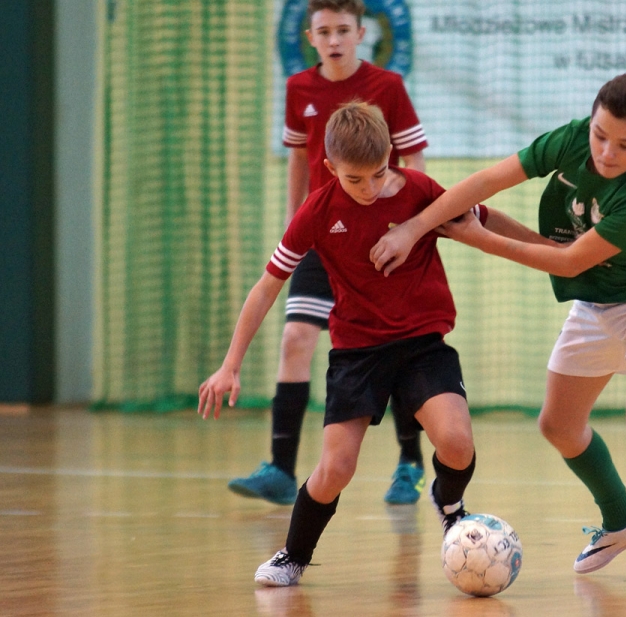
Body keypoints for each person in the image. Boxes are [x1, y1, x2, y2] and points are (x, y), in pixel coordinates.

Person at [370, 71, 626, 590]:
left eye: (625, 145)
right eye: (600, 135)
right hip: (599, 303)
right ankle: (621, 520)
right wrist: (414, 227)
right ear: (590, 120)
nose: (606, 152)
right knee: (557, 424)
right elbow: (486, 182)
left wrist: (478, 236)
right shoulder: (570, 139)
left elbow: (569, 262)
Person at [199, 101, 488, 586]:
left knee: (457, 443)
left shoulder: (419, 191)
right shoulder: (317, 211)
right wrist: (231, 364)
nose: (370, 189)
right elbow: (268, 284)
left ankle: (449, 501)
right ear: (331, 169)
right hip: (358, 352)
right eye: (356, 180)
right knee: (336, 468)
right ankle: (293, 555)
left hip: (422, 344)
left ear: (392, 156)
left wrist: (557, 251)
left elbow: (482, 219)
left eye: (378, 174)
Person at [227, 0, 430, 507]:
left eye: (343, 30)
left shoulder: (388, 87)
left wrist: (410, 227)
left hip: (383, 237)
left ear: (361, 33)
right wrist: (294, 215)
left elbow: (415, 160)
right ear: (310, 36)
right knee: (296, 338)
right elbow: (300, 157)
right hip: (325, 236)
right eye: (324, 31)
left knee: (397, 347)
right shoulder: (299, 88)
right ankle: (279, 466)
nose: (334, 39)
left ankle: (409, 463)